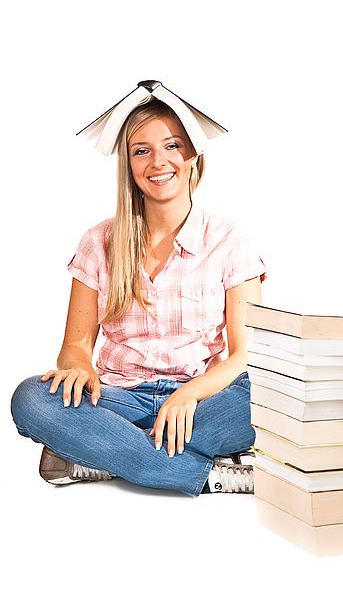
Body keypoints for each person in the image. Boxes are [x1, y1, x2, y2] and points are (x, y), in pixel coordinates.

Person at [10, 96, 267, 496]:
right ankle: (207, 474)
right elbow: (75, 346)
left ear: (193, 156)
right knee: (31, 399)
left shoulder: (230, 241)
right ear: (128, 165)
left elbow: (245, 356)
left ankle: (102, 454)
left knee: (267, 403)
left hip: (203, 400)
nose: (158, 162)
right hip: (119, 399)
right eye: (141, 151)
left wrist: (187, 395)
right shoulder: (99, 241)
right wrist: (78, 368)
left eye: (172, 146)